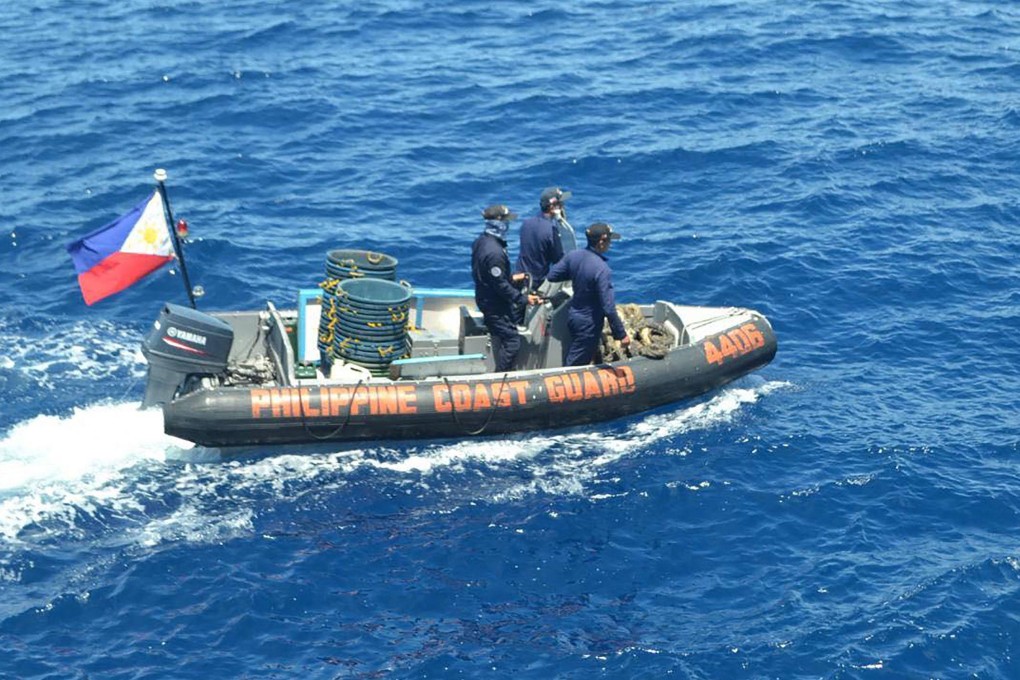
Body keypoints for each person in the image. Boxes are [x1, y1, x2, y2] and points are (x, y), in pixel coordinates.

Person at [546, 222, 631, 366]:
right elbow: (608, 307)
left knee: (582, 354)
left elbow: (552, 275)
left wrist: (577, 274)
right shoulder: (601, 269)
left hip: (574, 316)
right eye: (609, 240)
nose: (610, 244)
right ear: (601, 242)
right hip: (588, 324)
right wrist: (621, 335)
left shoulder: (574, 256)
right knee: (575, 363)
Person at [472, 204, 542, 372]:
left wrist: (511, 278)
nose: (508, 225)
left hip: (485, 296)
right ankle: (500, 377)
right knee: (512, 341)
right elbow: (500, 286)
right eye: (506, 221)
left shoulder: (482, 241)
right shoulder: (495, 252)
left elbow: (494, 277)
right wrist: (524, 299)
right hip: (494, 304)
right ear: (498, 222)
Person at [515, 186, 571, 291]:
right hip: (536, 283)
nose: (563, 206)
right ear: (553, 207)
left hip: (520, 277)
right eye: (560, 204)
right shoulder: (551, 230)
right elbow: (558, 261)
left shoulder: (526, 223)